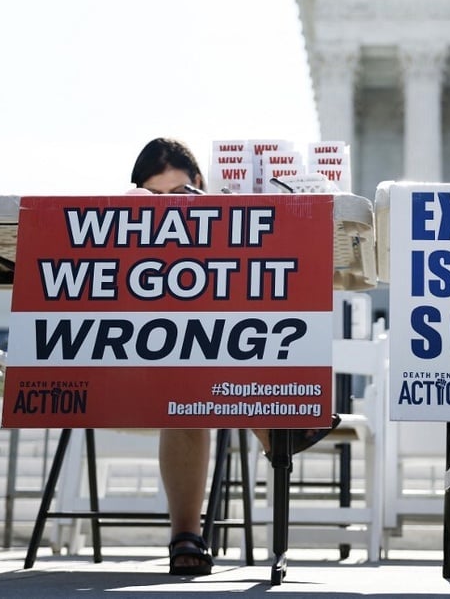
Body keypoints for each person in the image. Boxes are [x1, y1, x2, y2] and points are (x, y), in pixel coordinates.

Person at [128, 138, 340, 576]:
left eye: (180, 195)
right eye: (155, 198)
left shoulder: (221, 229)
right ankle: (277, 428)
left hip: (193, 363)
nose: (169, 209)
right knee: (188, 366)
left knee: (211, 341)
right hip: (132, 365)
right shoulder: (123, 229)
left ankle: (186, 536)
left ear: (201, 186)